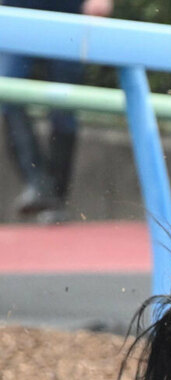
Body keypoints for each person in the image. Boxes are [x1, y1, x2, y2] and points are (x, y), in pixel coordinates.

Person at [0, 0, 114, 223]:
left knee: (64, 106)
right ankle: (40, 185)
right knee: (8, 92)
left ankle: (55, 198)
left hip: (68, 12)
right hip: (18, 9)